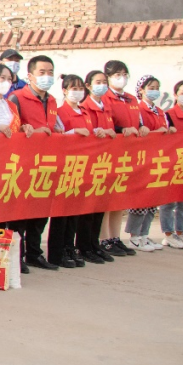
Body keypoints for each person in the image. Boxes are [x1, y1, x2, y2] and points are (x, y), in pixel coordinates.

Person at [7, 55, 63, 272]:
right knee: (20, 213)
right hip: (24, 163)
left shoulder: (52, 101)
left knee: (40, 212)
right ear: (29, 75)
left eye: (50, 72)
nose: (46, 76)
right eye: (42, 72)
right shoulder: (17, 98)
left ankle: (34, 253)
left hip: (47, 162)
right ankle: (17, 255)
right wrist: (26, 130)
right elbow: (12, 130)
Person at [47, 74, 96, 268]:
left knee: (75, 211)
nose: (78, 92)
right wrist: (73, 133)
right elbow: (56, 136)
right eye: (73, 88)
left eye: (80, 88)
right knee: (61, 212)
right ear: (65, 91)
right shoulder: (60, 112)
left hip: (82, 166)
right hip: (65, 166)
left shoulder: (85, 112)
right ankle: (57, 252)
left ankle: (69, 247)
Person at [99, 60, 146, 257]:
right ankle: (103, 238)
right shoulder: (105, 98)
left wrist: (141, 127)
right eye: (117, 74)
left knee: (120, 198)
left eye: (124, 74)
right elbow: (107, 123)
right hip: (110, 152)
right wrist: (121, 130)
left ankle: (115, 237)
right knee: (106, 198)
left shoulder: (131, 99)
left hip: (127, 154)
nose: (122, 78)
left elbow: (138, 121)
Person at [77, 69, 119, 262]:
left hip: (105, 161)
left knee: (100, 205)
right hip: (90, 163)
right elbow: (87, 133)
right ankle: (84, 246)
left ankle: (94, 244)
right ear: (88, 85)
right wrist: (98, 132)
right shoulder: (85, 107)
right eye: (98, 82)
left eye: (104, 82)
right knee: (88, 207)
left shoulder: (106, 106)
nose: (102, 85)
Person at [126, 75, 170, 252]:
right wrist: (156, 132)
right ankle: (134, 236)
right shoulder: (137, 109)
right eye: (151, 87)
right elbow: (140, 132)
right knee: (140, 200)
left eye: (157, 87)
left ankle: (144, 234)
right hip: (143, 158)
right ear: (141, 90)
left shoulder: (159, 111)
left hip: (157, 158)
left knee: (153, 199)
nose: (154, 91)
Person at [161, 80, 183, 249]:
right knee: (169, 199)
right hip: (173, 162)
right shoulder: (169, 115)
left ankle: (181, 232)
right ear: (175, 95)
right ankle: (168, 234)